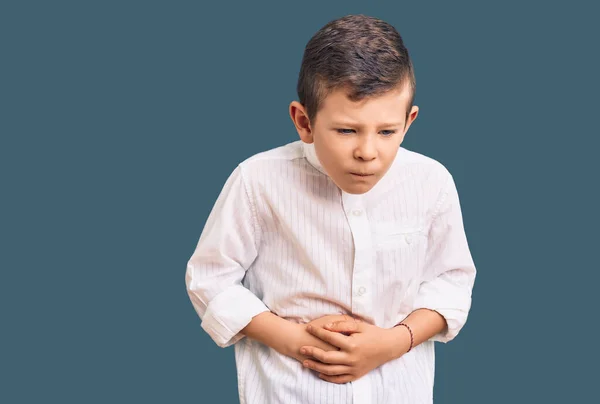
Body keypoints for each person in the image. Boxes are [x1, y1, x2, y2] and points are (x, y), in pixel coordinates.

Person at [185, 14, 477, 404]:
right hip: (288, 392)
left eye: (387, 132)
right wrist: (294, 340)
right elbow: (209, 280)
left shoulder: (432, 181)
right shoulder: (257, 181)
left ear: (409, 121)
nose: (367, 152)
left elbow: (452, 282)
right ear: (304, 122)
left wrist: (393, 342)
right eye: (346, 130)